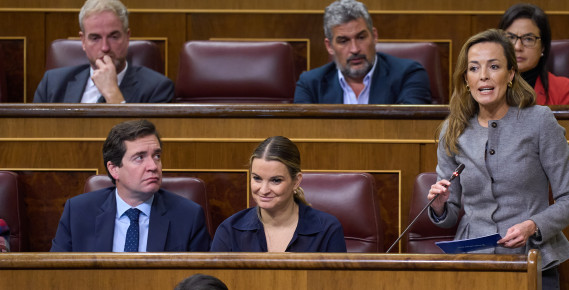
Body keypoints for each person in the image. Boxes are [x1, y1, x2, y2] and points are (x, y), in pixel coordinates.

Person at [427, 29, 569, 290]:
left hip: (531, 260)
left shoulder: (539, 121)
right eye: (474, 68)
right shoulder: (452, 130)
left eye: (494, 66)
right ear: (466, 78)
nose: (484, 76)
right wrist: (440, 206)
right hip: (473, 264)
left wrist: (533, 225)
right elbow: (450, 214)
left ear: (510, 74)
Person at [50, 120, 210, 252]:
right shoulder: (78, 212)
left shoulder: (188, 216)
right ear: (114, 169)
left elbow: (199, 282)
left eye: (157, 156)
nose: (153, 166)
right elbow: (57, 276)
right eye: (139, 157)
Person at [210, 136, 346, 252]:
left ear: (296, 181)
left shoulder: (328, 229)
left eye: (276, 180)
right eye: (257, 178)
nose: (264, 190)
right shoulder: (229, 230)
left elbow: (337, 283)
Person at [498, 3, 569, 165]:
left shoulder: (562, 89)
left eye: (528, 39)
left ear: (542, 47)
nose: (517, 47)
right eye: (511, 38)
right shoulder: (484, 86)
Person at [34, 0, 174, 103]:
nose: (105, 47)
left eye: (114, 37)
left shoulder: (157, 88)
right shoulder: (52, 84)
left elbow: (144, 141)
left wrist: (112, 93)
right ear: (83, 41)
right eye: (95, 38)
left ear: (127, 37)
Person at [293, 0, 431, 104]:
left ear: (374, 36)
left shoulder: (409, 75)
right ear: (329, 46)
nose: (355, 49)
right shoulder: (310, 84)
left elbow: (411, 130)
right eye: (343, 41)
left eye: (361, 37)